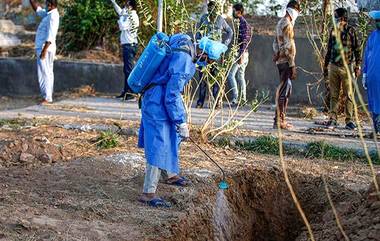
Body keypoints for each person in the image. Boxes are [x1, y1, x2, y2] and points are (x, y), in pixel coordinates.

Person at [138, 34, 227, 207]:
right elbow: (172, 95)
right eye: (208, 61)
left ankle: (170, 175)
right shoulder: (185, 61)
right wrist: (181, 120)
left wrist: (178, 122)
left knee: (171, 135)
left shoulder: (184, 40)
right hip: (157, 99)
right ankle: (148, 193)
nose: (206, 65)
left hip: (157, 95)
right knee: (159, 143)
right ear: (204, 54)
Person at [323, 7, 362, 130]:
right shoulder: (333, 31)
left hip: (347, 68)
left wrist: (357, 66)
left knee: (349, 95)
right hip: (334, 66)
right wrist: (325, 65)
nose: (335, 20)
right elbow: (329, 49)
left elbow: (357, 50)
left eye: (336, 17)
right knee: (333, 95)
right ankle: (333, 119)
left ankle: (349, 120)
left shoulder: (351, 31)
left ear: (343, 19)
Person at [195, 0, 233, 108]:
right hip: (204, 52)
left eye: (214, 9)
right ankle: (200, 102)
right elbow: (198, 33)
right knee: (202, 78)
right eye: (210, 9)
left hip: (216, 54)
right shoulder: (203, 18)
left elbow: (230, 32)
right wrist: (200, 43)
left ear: (217, 10)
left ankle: (215, 103)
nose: (212, 11)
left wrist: (224, 44)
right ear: (208, 9)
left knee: (215, 78)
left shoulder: (220, 20)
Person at [272, 1, 301, 129]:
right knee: (284, 91)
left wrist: (277, 53)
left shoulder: (280, 23)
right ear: (293, 11)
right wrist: (292, 65)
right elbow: (289, 46)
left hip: (280, 61)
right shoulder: (287, 24)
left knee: (285, 89)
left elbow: (275, 43)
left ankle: (280, 119)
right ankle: (279, 121)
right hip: (286, 62)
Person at [29, 0, 59, 105]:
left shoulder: (53, 17)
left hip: (45, 48)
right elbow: (38, 10)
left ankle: (47, 98)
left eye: (47, 4)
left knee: (44, 73)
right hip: (45, 48)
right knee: (48, 73)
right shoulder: (49, 13)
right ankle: (48, 97)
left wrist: (44, 51)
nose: (45, 6)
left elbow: (51, 35)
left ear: (50, 5)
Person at [111, 0, 139, 100]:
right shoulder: (127, 15)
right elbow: (120, 12)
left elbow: (122, 26)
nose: (125, 7)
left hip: (130, 45)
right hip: (127, 45)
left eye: (126, 5)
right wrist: (113, 3)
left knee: (129, 70)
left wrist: (120, 19)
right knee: (126, 70)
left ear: (131, 7)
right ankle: (126, 91)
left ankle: (131, 94)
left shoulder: (132, 17)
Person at [227, 3, 252, 106]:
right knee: (240, 76)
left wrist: (240, 55)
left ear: (238, 12)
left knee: (230, 75)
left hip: (241, 54)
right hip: (243, 53)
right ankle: (243, 99)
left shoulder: (243, 24)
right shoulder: (240, 23)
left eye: (233, 10)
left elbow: (245, 41)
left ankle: (236, 98)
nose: (232, 12)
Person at [362, 10, 380, 134]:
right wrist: (364, 73)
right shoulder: (373, 36)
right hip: (372, 76)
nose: (377, 23)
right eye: (376, 21)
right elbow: (367, 55)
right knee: (373, 101)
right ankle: (376, 128)